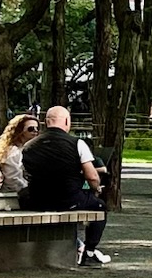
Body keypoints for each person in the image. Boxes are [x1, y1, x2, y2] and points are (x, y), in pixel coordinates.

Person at [20, 106, 110, 266]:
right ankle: (89, 251)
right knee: (100, 206)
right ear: (67, 121)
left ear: (46, 122)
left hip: (37, 200)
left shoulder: (28, 146)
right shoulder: (77, 144)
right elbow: (92, 176)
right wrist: (96, 189)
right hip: (69, 200)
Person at [0, 112, 38, 194]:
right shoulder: (12, 151)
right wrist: (29, 191)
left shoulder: (26, 149)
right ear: (19, 131)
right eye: (31, 129)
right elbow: (13, 180)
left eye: (37, 128)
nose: (35, 131)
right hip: (9, 195)